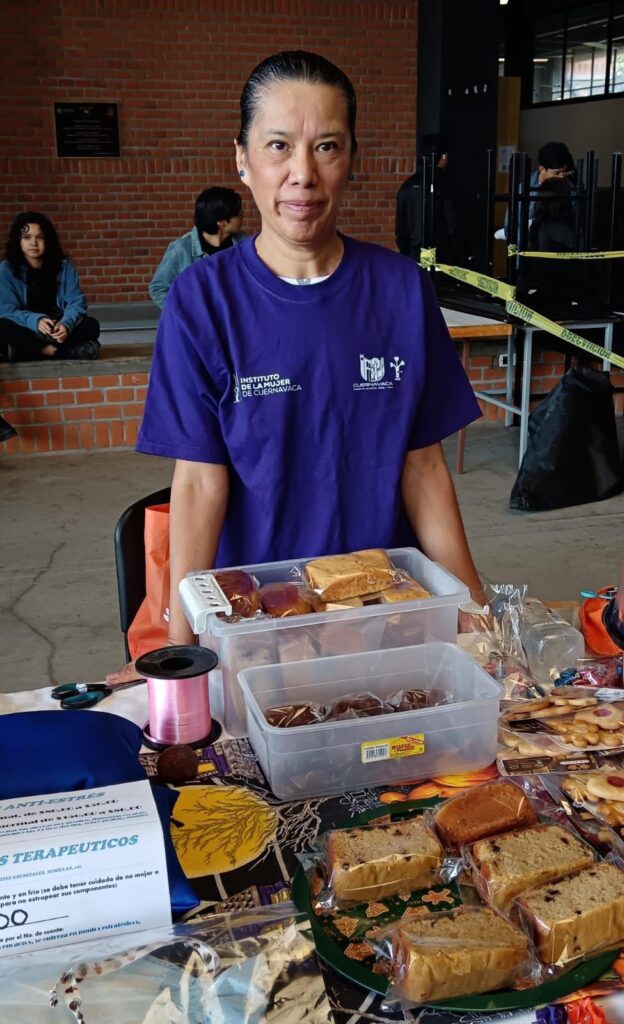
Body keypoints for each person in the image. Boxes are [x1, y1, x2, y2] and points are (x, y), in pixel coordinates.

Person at [136, 50, 486, 653]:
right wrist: (183, 644)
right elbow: (197, 481)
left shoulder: (401, 289)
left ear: (352, 159)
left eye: (326, 146)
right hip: (256, 624)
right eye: (278, 146)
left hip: (383, 616)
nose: (303, 173)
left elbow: (424, 467)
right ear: (241, 158)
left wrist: (476, 612)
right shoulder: (202, 300)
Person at [0, 212, 101, 362]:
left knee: (91, 325)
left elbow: (76, 302)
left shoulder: (64, 266)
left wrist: (66, 325)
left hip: (58, 330)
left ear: (48, 240)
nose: (33, 243)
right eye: (27, 237)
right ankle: (57, 352)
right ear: (18, 240)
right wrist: (36, 321)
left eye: (40, 237)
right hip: (28, 328)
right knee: (2, 326)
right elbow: (6, 310)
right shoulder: (7, 268)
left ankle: (27, 352)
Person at [148, 187, 246, 308]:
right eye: (238, 213)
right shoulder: (182, 249)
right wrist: (186, 314)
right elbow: (159, 289)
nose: (242, 215)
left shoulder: (245, 245)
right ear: (222, 222)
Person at [395, 132, 463, 263]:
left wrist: (407, 251)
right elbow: (453, 224)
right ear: (443, 156)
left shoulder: (407, 186)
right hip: (442, 258)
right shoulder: (446, 185)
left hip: (413, 257)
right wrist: (460, 253)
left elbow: (401, 230)